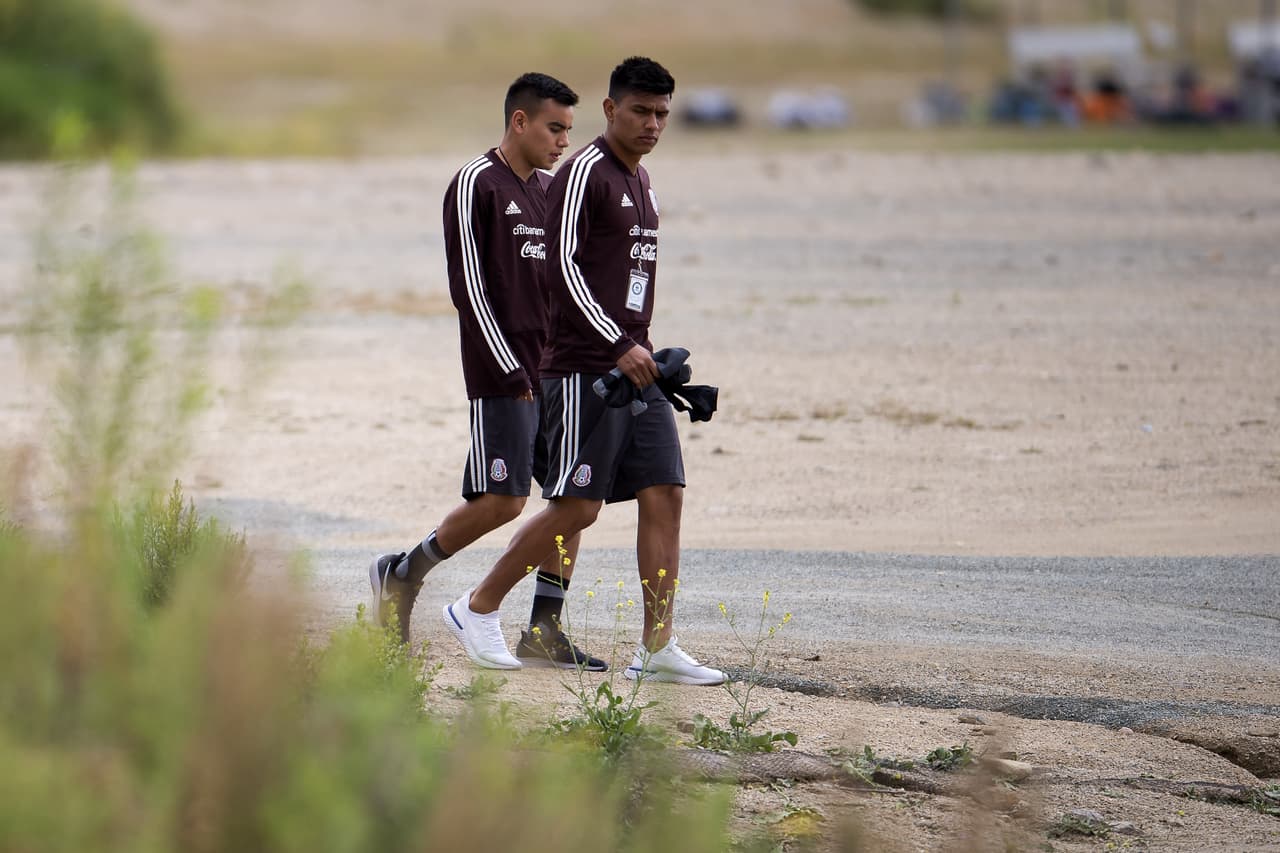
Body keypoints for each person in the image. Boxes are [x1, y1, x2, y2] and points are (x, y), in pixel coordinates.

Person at [441, 56, 726, 686]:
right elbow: (560, 266)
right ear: (611, 110)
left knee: (666, 494)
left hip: (637, 367)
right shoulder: (586, 172)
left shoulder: (642, 181)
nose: (653, 124)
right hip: (579, 369)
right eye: (641, 112)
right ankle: (477, 606)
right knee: (577, 507)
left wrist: (644, 349)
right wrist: (614, 341)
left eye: (662, 114)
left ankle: (656, 649)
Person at [369, 72, 606, 672]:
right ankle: (402, 572)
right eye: (554, 128)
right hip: (503, 370)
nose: (562, 142)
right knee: (504, 500)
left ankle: (544, 629)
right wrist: (508, 365)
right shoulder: (475, 183)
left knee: (572, 495)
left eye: (569, 132)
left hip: (557, 371)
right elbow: (468, 286)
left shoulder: (552, 191)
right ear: (520, 121)